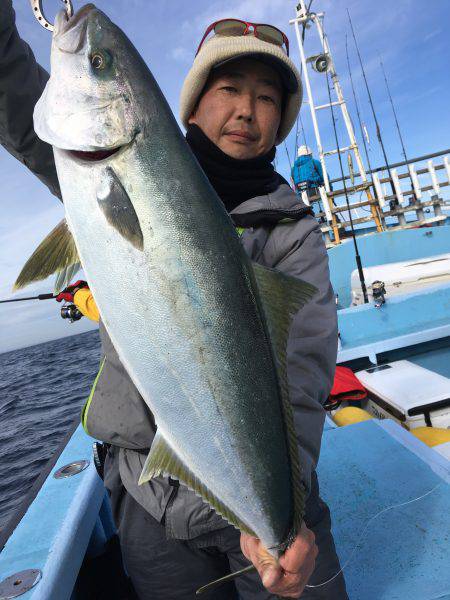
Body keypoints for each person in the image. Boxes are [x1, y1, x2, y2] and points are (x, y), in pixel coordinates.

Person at [0, 5, 347, 599]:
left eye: (266, 98)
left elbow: (304, 370)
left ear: (282, 121)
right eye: (229, 89)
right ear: (189, 105)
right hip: (147, 489)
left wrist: (280, 519)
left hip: (267, 490)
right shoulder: (96, 165)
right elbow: (12, 87)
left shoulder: (292, 230)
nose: (245, 109)